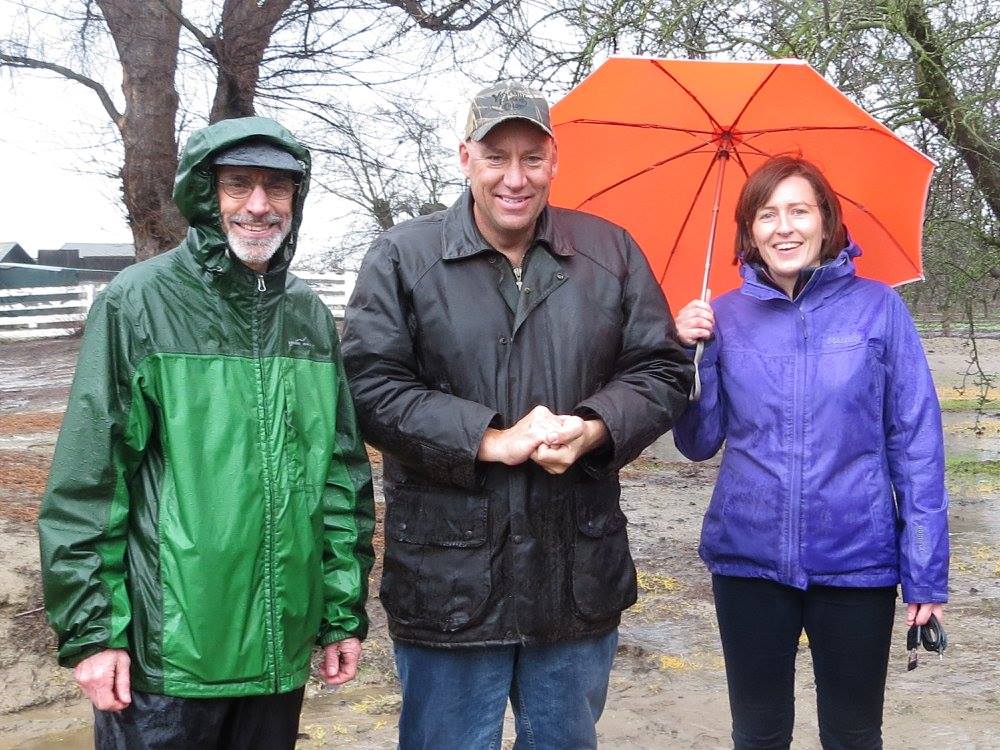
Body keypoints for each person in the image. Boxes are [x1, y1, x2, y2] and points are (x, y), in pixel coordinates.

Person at [341, 81, 693, 749]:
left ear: (555, 160)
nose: (514, 177)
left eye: (532, 157)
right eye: (496, 156)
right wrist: (487, 439)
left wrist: (595, 427)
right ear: (465, 156)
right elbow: (370, 388)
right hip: (450, 581)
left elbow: (663, 370)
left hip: (575, 576)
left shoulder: (609, 253)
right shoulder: (402, 256)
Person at [38, 117, 375, 749]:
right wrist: (92, 633)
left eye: (277, 187)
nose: (258, 205)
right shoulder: (138, 303)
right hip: (170, 661)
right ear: (204, 194)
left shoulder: (306, 315)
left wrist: (339, 615)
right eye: (238, 185)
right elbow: (89, 483)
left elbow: (339, 479)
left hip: (279, 649)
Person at [672, 155, 949, 749]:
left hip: (856, 561)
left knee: (852, 737)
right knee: (759, 734)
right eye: (767, 215)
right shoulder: (722, 316)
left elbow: (917, 445)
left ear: (827, 221)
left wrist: (925, 575)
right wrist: (689, 359)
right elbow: (697, 443)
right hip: (748, 561)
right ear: (749, 231)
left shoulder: (879, 309)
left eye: (799, 210)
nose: (784, 227)